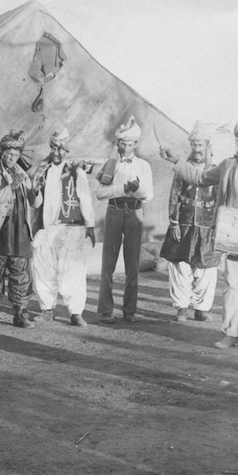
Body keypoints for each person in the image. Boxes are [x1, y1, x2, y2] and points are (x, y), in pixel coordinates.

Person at [161, 119, 238, 349]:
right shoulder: (227, 165)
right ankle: (231, 333)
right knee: (232, 284)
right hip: (232, 230)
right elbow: (199, 178)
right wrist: (176, 160)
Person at [31, 129, 96, 327]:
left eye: (60, 149)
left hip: (71, 228)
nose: (56, 153)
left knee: (73, 270)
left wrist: (90, 225)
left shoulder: (76, 170)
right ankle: (47, 308)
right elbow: (34, 201)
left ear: (66, 150)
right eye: (53, 148)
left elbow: (85, 198)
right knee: (43, 268)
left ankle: (75, 312)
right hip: (47, 227)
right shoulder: (42, 170)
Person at [0, 131, 42, 329]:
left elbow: (35, 204)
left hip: (21, 231)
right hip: (0, 230)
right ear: (2, 152)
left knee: (20, 273)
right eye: (9, 154)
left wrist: (37, 190)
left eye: (15, 155)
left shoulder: (22, 173)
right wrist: (11, 188)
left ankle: (20, 313)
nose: (12, 158)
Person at [93, 116, 153, 324]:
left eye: (130, 144)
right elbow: (100, 193)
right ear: (117, 144)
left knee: (132, 263)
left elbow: (148, 196)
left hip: (135, 213)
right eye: (123, 144)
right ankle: (105, 311)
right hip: (114, 210)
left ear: (136, 144)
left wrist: (136, 189)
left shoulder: (144, 166)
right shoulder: (110, 164)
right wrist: (122, 188)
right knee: (108, 263)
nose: (126, 148)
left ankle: (130, 311)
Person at [160, 122, 219, 322]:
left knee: (205, 268)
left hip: (207, 226)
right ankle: (182, 308)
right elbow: (174, 195)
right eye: (193, 145)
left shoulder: (216, 171)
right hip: (184, 224)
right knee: (180, 265)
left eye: (200, 145)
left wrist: (217, 228)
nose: (197, 149)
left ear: (208, 146)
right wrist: (174, 222)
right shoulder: (182, 169)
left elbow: (220, 200)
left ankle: (201, 308)